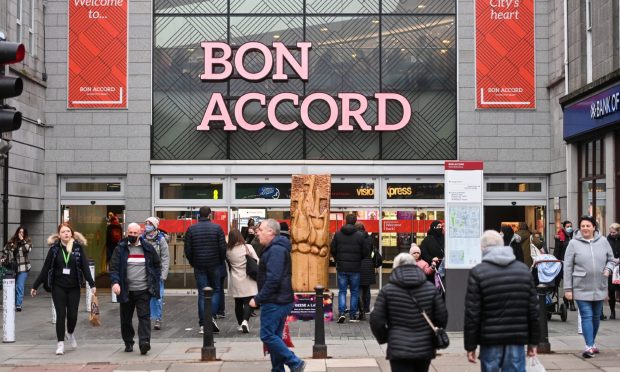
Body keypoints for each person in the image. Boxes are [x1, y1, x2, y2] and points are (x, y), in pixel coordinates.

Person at [464, 230, 540, 370]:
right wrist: (533, 342)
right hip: (516, 338)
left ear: (483, 248)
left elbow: (472, 313)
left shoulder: (478, 272)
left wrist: (470, 345)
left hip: (490, 339)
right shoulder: (523, 270)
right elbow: (533, 311)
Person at [369, 253, 447, 372]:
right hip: (424, 347)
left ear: (395, 267)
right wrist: (432, 334)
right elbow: (442, 316)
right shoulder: (430, 289)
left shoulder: (387, 291)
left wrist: (386, 337)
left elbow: (376, 320)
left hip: (398, 347)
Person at [249, 219, 305, 372]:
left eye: (260, 230)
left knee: (267, 336)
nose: (257, 232)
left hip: (275, 301)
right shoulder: (274, 248)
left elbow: (274, 278)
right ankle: (278, 369)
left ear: (271, 232)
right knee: (275, 337)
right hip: (279, 299)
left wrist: (258, 299)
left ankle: (294, 362)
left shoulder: (276, 250)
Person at [31, 223, 96, 355]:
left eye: (68, 231)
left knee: (73, 315)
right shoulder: (54, 249)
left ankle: (70, 333)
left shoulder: (77, 248)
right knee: (61, 315)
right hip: (58, 286)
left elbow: (85, 267)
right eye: (63, 232)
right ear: (59, 235)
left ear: (71, 233)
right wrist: (35, 285)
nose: (66, 233)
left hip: (74, 287)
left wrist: (92, 284)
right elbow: (45, 268)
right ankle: (60, 343)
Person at [563, 215, 616, 358]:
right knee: (586, 315)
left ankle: (592, 344)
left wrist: (608, 269)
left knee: (596, 317)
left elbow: (611, 260)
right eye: (582, 226)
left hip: (599, 285)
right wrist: (568, 289)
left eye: (588, 226)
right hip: (580, 286)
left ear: (594, 227)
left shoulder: (603, 241)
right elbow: (567, 267)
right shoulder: (573, 243)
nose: (585, 228)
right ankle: (588, 346)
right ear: (579, 228)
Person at [110, 222, 162, 355]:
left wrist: (155, 279)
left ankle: (144, 342)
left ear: (140, 233)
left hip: (143, 290)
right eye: (130, 233)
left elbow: (157, 265)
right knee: (126, 319)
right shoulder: (120, 248)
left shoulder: (148, 248)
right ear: (127, 233)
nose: (132, 235)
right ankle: (128, 342)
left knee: (144, 317)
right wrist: (115, 282)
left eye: (135, 233)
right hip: (126, 290)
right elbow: (114, 267)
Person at [184, 206, 226, 334]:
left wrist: (193, 262)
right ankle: (211, 317)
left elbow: (188, 250)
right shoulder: (217, 228)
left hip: (199, 265)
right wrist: (220, 260)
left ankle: (203, 323)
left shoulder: (191, 229)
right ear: (210, 215)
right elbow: (222, 248)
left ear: (199, 215)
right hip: (215, 264)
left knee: (202, 293)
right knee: (217, 290)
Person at [330, 214, 370, 323]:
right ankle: (352, 315)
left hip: (342, 267)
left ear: (345, 221)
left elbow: (332, 249)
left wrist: (337, 258)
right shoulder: (360, 236)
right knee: (354, 291)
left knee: (342, 291)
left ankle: (342, 312)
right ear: (355, 221)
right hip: (355, 267)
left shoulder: (338, 234)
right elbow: (366, 251)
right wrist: (359, 258)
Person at [226, 228, 259, 333]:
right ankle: (245, 321)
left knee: (238, 303)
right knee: (249, 301)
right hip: (248, 277)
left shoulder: (228, 251)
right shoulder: (247, 247)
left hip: (236, 278)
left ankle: (240, 324)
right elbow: (257, 260)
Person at [142, 216, 169, 330]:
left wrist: (164, 274)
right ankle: (147, 317)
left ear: (154, 226)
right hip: (144, 271)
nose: (146, 225)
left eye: (149, 223)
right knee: (145, 296)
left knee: (158, 297)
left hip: (157, 272)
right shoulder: (142, 238)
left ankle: (158, 318)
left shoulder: (161, 239)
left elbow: (165, 257)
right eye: (146, 223)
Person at [1, 226, 32, 311]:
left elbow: (27, 250)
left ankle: (18, 305)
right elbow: (5, 251)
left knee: (19, 285)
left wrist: (22, 240)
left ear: (25, 233)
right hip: (13, 267)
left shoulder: (27, 241)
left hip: (23, 267)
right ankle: (13, 303)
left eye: (23, 232)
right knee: (13, 286)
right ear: (17, 232)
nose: (21, 234)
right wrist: (3, 258)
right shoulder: (12, 241)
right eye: (19, 232)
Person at [554, 220, 576, 311]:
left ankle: (568, 300)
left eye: (570, 226)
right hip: (563, 263)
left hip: (573, 263)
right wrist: (556, 261)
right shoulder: (560, 237)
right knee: (566, 283)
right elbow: (557, 250)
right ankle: (570, 302)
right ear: (564, 227)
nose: (569, 227)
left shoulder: (575, 236)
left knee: (572, 283)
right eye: (567, 226)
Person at [355, 222, 374, 320]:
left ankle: (360, 309)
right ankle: (366, 308)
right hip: (368, 264)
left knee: (358, 289)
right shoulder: (369, 238)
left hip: (358, 264)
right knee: (367, 288)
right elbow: (372, 251)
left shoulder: (355, 239)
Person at [607, 222, 620, 319]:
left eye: (614, 232)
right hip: (611, 268)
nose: (612, 234)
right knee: (611, 291)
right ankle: (612, 311)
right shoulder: (606, 240)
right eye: (611, 232)